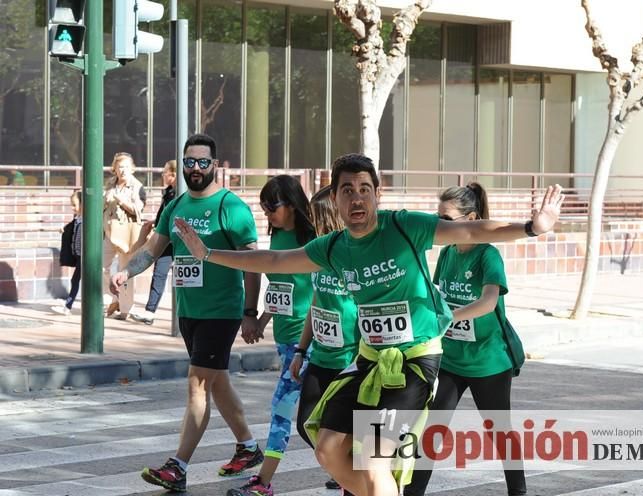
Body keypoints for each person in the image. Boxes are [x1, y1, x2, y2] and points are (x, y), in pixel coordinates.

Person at [173, 153, 563, 496]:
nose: (356, 197)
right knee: (327, 448)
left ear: (377, 194)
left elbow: (470, 231)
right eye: (346, 190)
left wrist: (531, 227)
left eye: (364, 188)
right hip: (370, 361)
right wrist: (208, 254)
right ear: (336, 199)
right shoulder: (335, 247)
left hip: (414, 362)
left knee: (374, 459)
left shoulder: (403, 227)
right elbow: (274, 262)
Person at [109, 134, 264, 492]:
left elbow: (253, 261)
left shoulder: (231, 207)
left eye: (202, 162)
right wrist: (127, 271)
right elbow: (153, 248)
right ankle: (248, 446)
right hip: (189, 312)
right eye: (189, 162)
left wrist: (250, 311)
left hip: (221, 311)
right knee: (217, 380)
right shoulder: (176, 207)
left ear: (215, 165)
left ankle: (177, 467)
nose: (195, 169)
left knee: (198, 382)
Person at [404, 182, 526, 496]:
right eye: (438, 216)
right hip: (452, 360)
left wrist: (448, 317)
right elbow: (435, 298)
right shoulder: (446, 253)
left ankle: (519, 491)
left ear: (470, 218)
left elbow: (488, 302)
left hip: (488, 361)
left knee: (499, 431)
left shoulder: (488, 255)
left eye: (447, 218)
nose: (439, 224)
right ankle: (412, 492)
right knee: (431, 430)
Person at [225, 175, 315, 496]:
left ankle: (263, 482)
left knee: (282, 409)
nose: (267, 214)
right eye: (263, 208)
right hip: (284, 336)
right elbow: (280, 289)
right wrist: (262, 320)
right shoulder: (277, 238)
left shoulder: (312, 239)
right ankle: (348, 469)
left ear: (291, 204)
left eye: (271, 207)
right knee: (316, 418)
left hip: (310, 341)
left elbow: (320, 291)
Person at [289, 185, 359, 494]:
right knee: (307, 423)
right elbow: (316, 302)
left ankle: (353, 479)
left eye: (316, 216)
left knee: (345, 431)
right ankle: (343, 466)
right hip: (320, 355)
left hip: (352, 359)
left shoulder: (352, 255)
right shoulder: (319, 252)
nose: (311, 223)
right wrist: (300, 350)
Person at [130, 160, 177, 325]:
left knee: (182, 277)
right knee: (159, 274)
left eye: (165, 172)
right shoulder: (168, 192)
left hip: (178, 241)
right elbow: (164, 214)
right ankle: (150, 312)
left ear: (174, 174)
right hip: (165, 239)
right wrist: (156, 224)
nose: (163, 175)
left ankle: (181, 314)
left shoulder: (180, 194)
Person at [103, 152, 146, 320]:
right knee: (101, 267)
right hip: (108, 231)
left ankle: (126, 309)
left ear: (132, 169)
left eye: (126, 167)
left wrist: (121, 201)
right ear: (114, 169)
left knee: (125, 270)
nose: (122, 170)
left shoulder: (137, 186)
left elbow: (139, 209)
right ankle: (112, 299)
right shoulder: (110, 184)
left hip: (127, 233)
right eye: (119, 167)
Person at [52, 191, 83, 316]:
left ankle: (68, 306)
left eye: (74, 205)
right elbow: (71, 227)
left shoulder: (87, 220)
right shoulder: (77, 219)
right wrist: (64, 229)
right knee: (75, 280)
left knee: (75, 280)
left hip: (85, 257)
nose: (72, 207)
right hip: (78, 255)